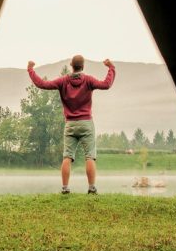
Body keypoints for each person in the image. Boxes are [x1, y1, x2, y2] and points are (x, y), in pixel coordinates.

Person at [27, 55, 115, 194]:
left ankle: (65, 188)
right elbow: (106, 84)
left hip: (70, 124)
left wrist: (30, 69)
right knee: (90, 156)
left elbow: (43, 84)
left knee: (67, 156)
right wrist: (111, 68)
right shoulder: (88, 80)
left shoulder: (63, 81)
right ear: (83, 66)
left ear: (71, 65)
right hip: (86, 123)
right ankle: (91, 188)